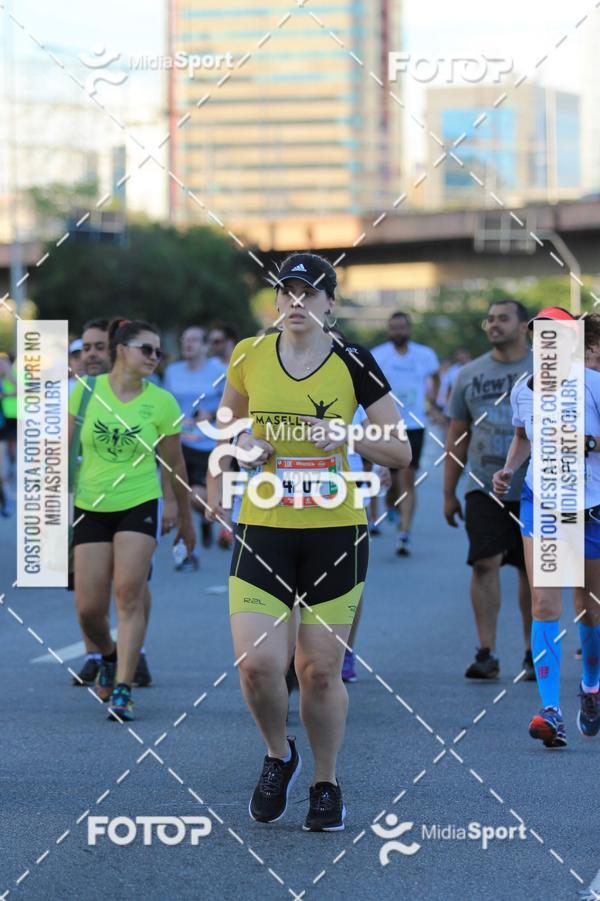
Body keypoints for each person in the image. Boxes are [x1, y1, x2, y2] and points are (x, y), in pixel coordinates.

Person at [207, 251, 410, 831]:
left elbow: (400, 452)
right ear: (275, 302)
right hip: (264, 528)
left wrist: (346, 436)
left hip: (334, 533)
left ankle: (326, 780)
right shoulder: (248, 355)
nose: (296, 303)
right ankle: (279, 755)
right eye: (287, 292)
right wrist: (240, 448)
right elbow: (229, 426)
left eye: (309, 293)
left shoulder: (354, 361)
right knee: (257, 666)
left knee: (319, 671)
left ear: (331, 305)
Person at [69, 319, 195, 721]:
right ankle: (107, 654)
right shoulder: (85, 392)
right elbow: (61, 452)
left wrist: (185, 518)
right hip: (90, 504)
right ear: (121, 349)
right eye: (147, 349)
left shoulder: (161, 402)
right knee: (88, 608)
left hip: (139, 501)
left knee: (127, 593)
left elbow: (175, 465)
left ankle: (123, 686)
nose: (154, 358)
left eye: (159, 352)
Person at [494, 307, 600, 748]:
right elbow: (523, 436)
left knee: (589, 608)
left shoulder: (593, 385)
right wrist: (508, 469)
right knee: (543, 602)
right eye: (541, 335)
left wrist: (586, 443)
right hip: (542, 504)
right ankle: (550, 710)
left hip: (591, 507)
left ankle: (591, 687)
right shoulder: (524, 389)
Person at [444, 300, 534, 680]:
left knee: (533, 572)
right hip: (483, 484)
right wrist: (449, 492)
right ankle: (487, 651)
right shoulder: (469, 373)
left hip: (537, 486)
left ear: (524, 325)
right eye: (490, 319)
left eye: (503, 319)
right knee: (484, 562)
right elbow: (457, 435)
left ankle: (535, 652)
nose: (494, 325)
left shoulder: (546, 369)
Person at [70, 319, 155, 689]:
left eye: (98, 347)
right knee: (86, 593)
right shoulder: (77, 392)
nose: (90, 354)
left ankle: (133, 657)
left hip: (134, 501)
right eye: (83, 348)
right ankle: (100, 653)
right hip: (83, 499)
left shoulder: (147, 393)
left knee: (128, 585)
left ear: (116, 351)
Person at [372, 312, 440, 556]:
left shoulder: (424, 355)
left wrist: (432, 399)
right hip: (386, 425)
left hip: (414, 425)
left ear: (409, 329)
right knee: (390, 481)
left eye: (401, 327)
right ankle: (391, 504)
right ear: (389, 330)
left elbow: (435, 376)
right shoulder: (379, 355)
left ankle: (404, 534)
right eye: (393, 328)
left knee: (408, 478)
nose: (397, 332)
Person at [163, 326, 227, 563]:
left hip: (208, 444)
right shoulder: (172, 371)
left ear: (204, 345)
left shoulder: (220, 371)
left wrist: (210, 412)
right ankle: (187, 553)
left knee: (196, 496)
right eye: (184, 340)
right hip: (180, 443)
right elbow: (166, 402)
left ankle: (206, 519)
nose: (188, 344)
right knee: (181, 497)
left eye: (193, 340)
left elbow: (235, 401)